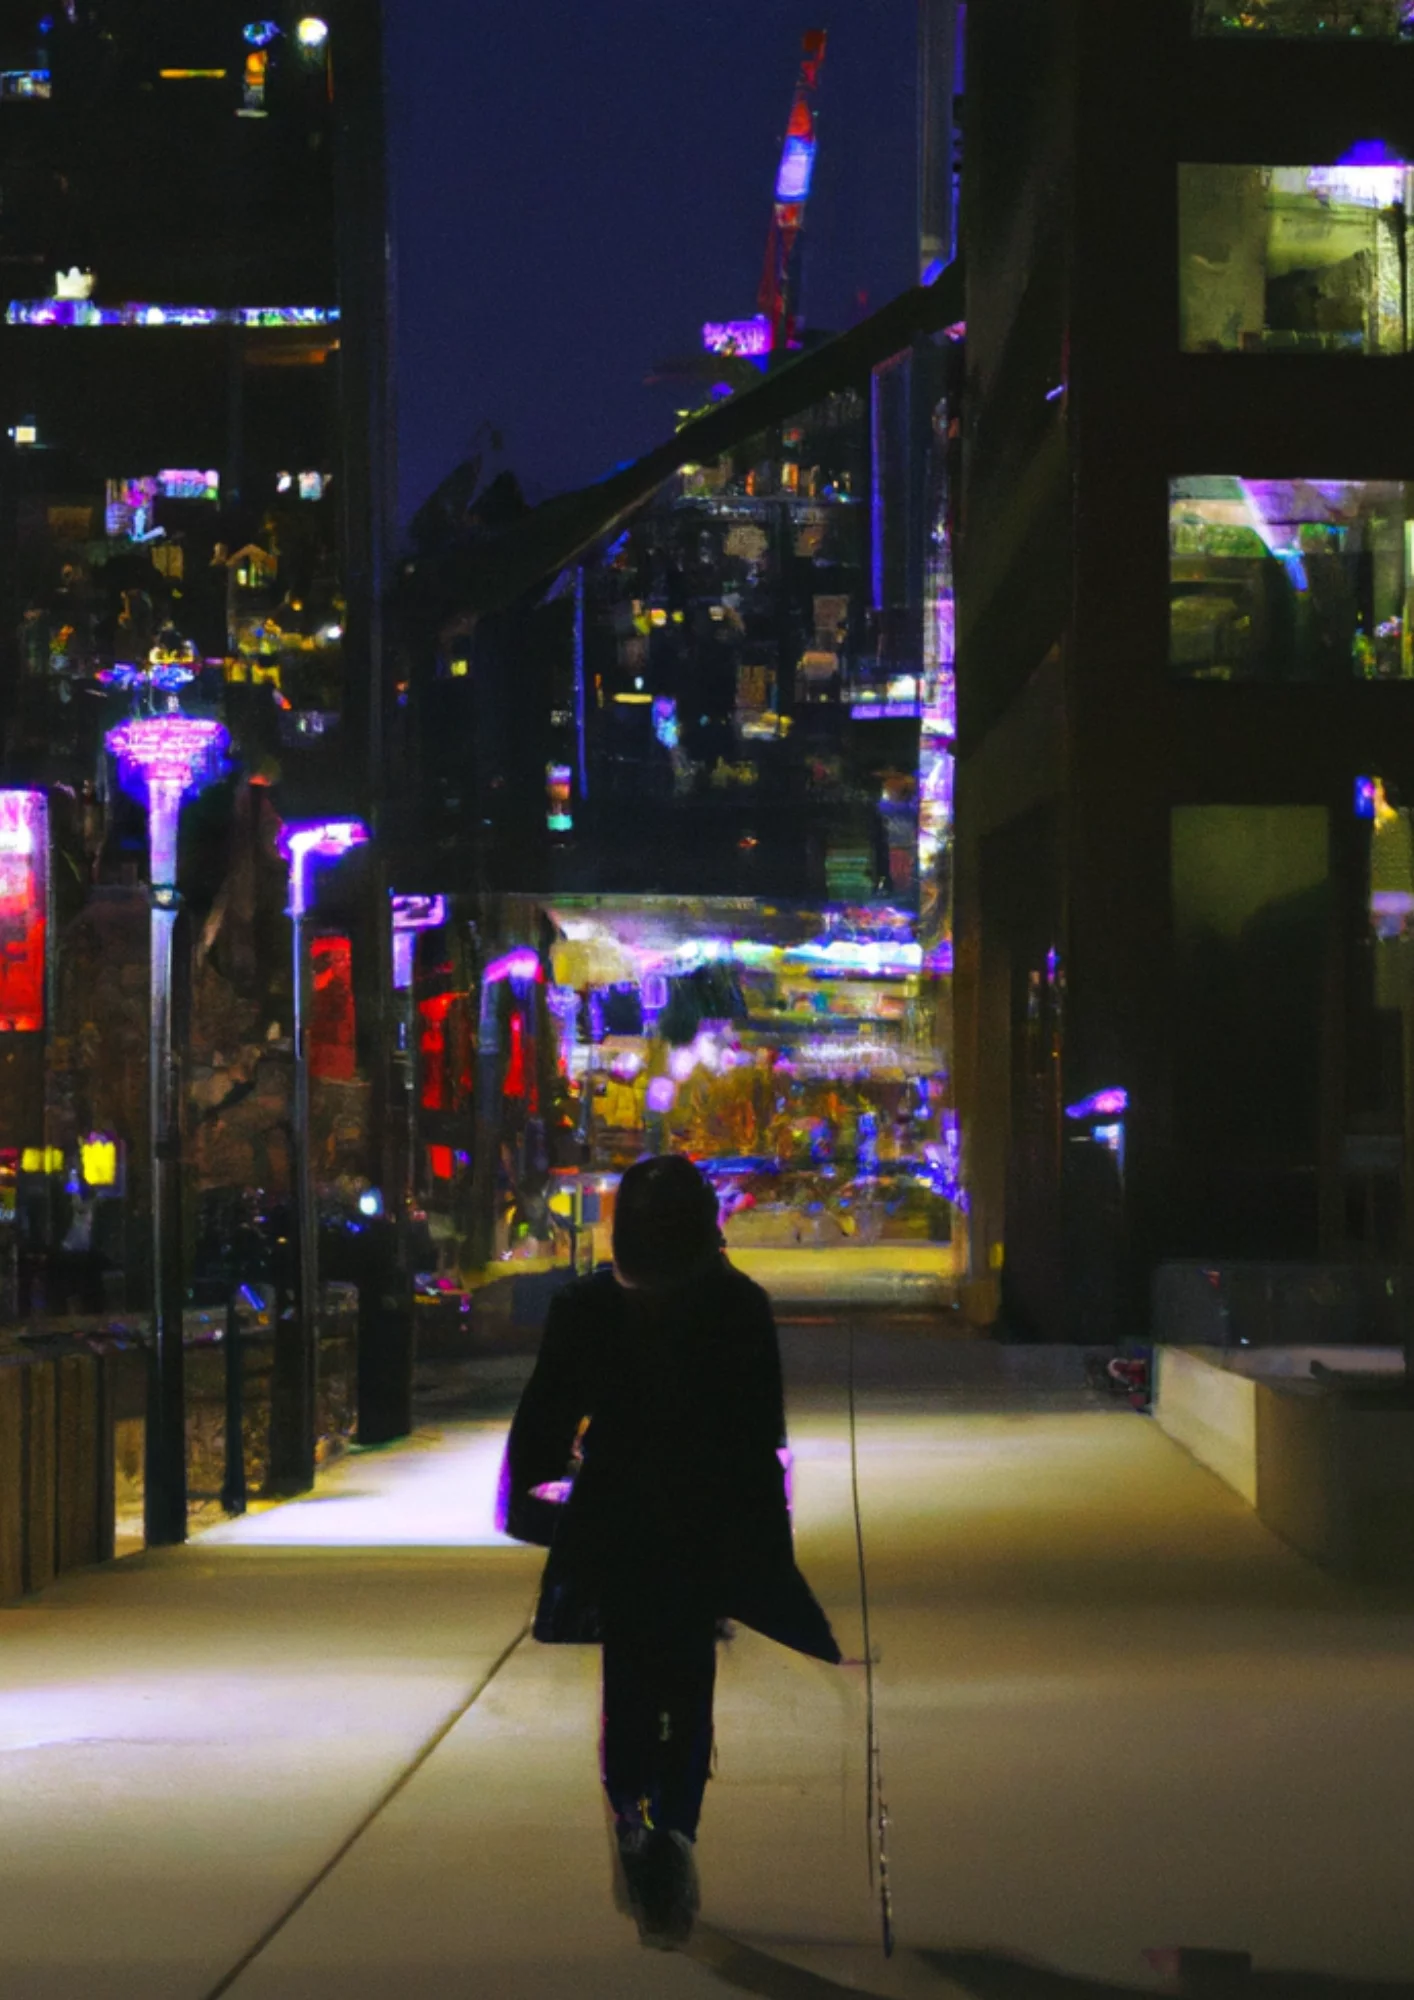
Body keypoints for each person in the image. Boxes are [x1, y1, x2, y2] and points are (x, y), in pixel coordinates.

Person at [501, 1152, 840, 1951]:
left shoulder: (586, 1308)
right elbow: (761, 1436)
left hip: (618, 1521)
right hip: (703, 1521)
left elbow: (546, 1418)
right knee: (688, 1682)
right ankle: (676, 1829)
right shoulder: (736, 1306)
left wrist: (539, 1504)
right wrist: (763, 1542)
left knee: (628, 1678)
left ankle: (632, 1815)